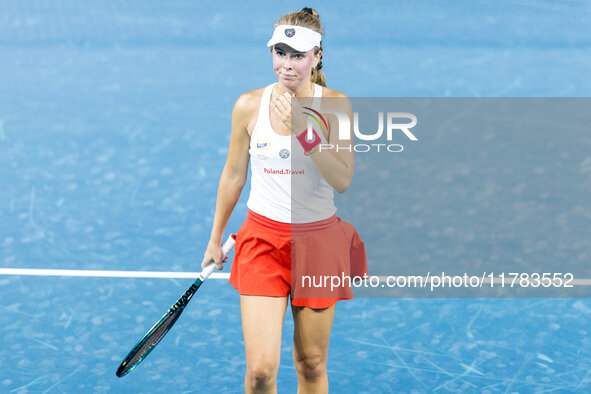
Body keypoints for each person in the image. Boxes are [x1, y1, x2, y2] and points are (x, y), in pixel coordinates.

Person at [201, 7, 367, 393]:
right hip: (261, 241)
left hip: (319, 243)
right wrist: (215, 236)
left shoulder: (336, 106)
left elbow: (342, 179)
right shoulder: (248, 105)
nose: (287, 65)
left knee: (311, 363)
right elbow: (233, 175)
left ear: (317, 56)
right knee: (260, 370)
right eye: (280, 53)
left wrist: (303, 130)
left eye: (297, 56)